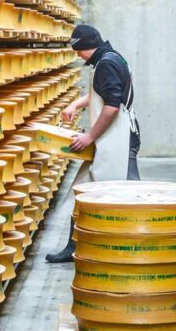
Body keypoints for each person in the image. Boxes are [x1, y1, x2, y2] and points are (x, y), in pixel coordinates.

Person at [46, 24, 141, 263]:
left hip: (118, 140)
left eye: (78, 50)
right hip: (112, 139)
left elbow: (111, 107)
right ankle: (75, 246)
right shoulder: (110, 57)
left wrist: (89, 137)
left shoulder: (106, 63)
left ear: (87, 47)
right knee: (86, 191)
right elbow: (102, 93)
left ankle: (132, 248)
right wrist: (75, 105)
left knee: (127, 195)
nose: (78, 55)